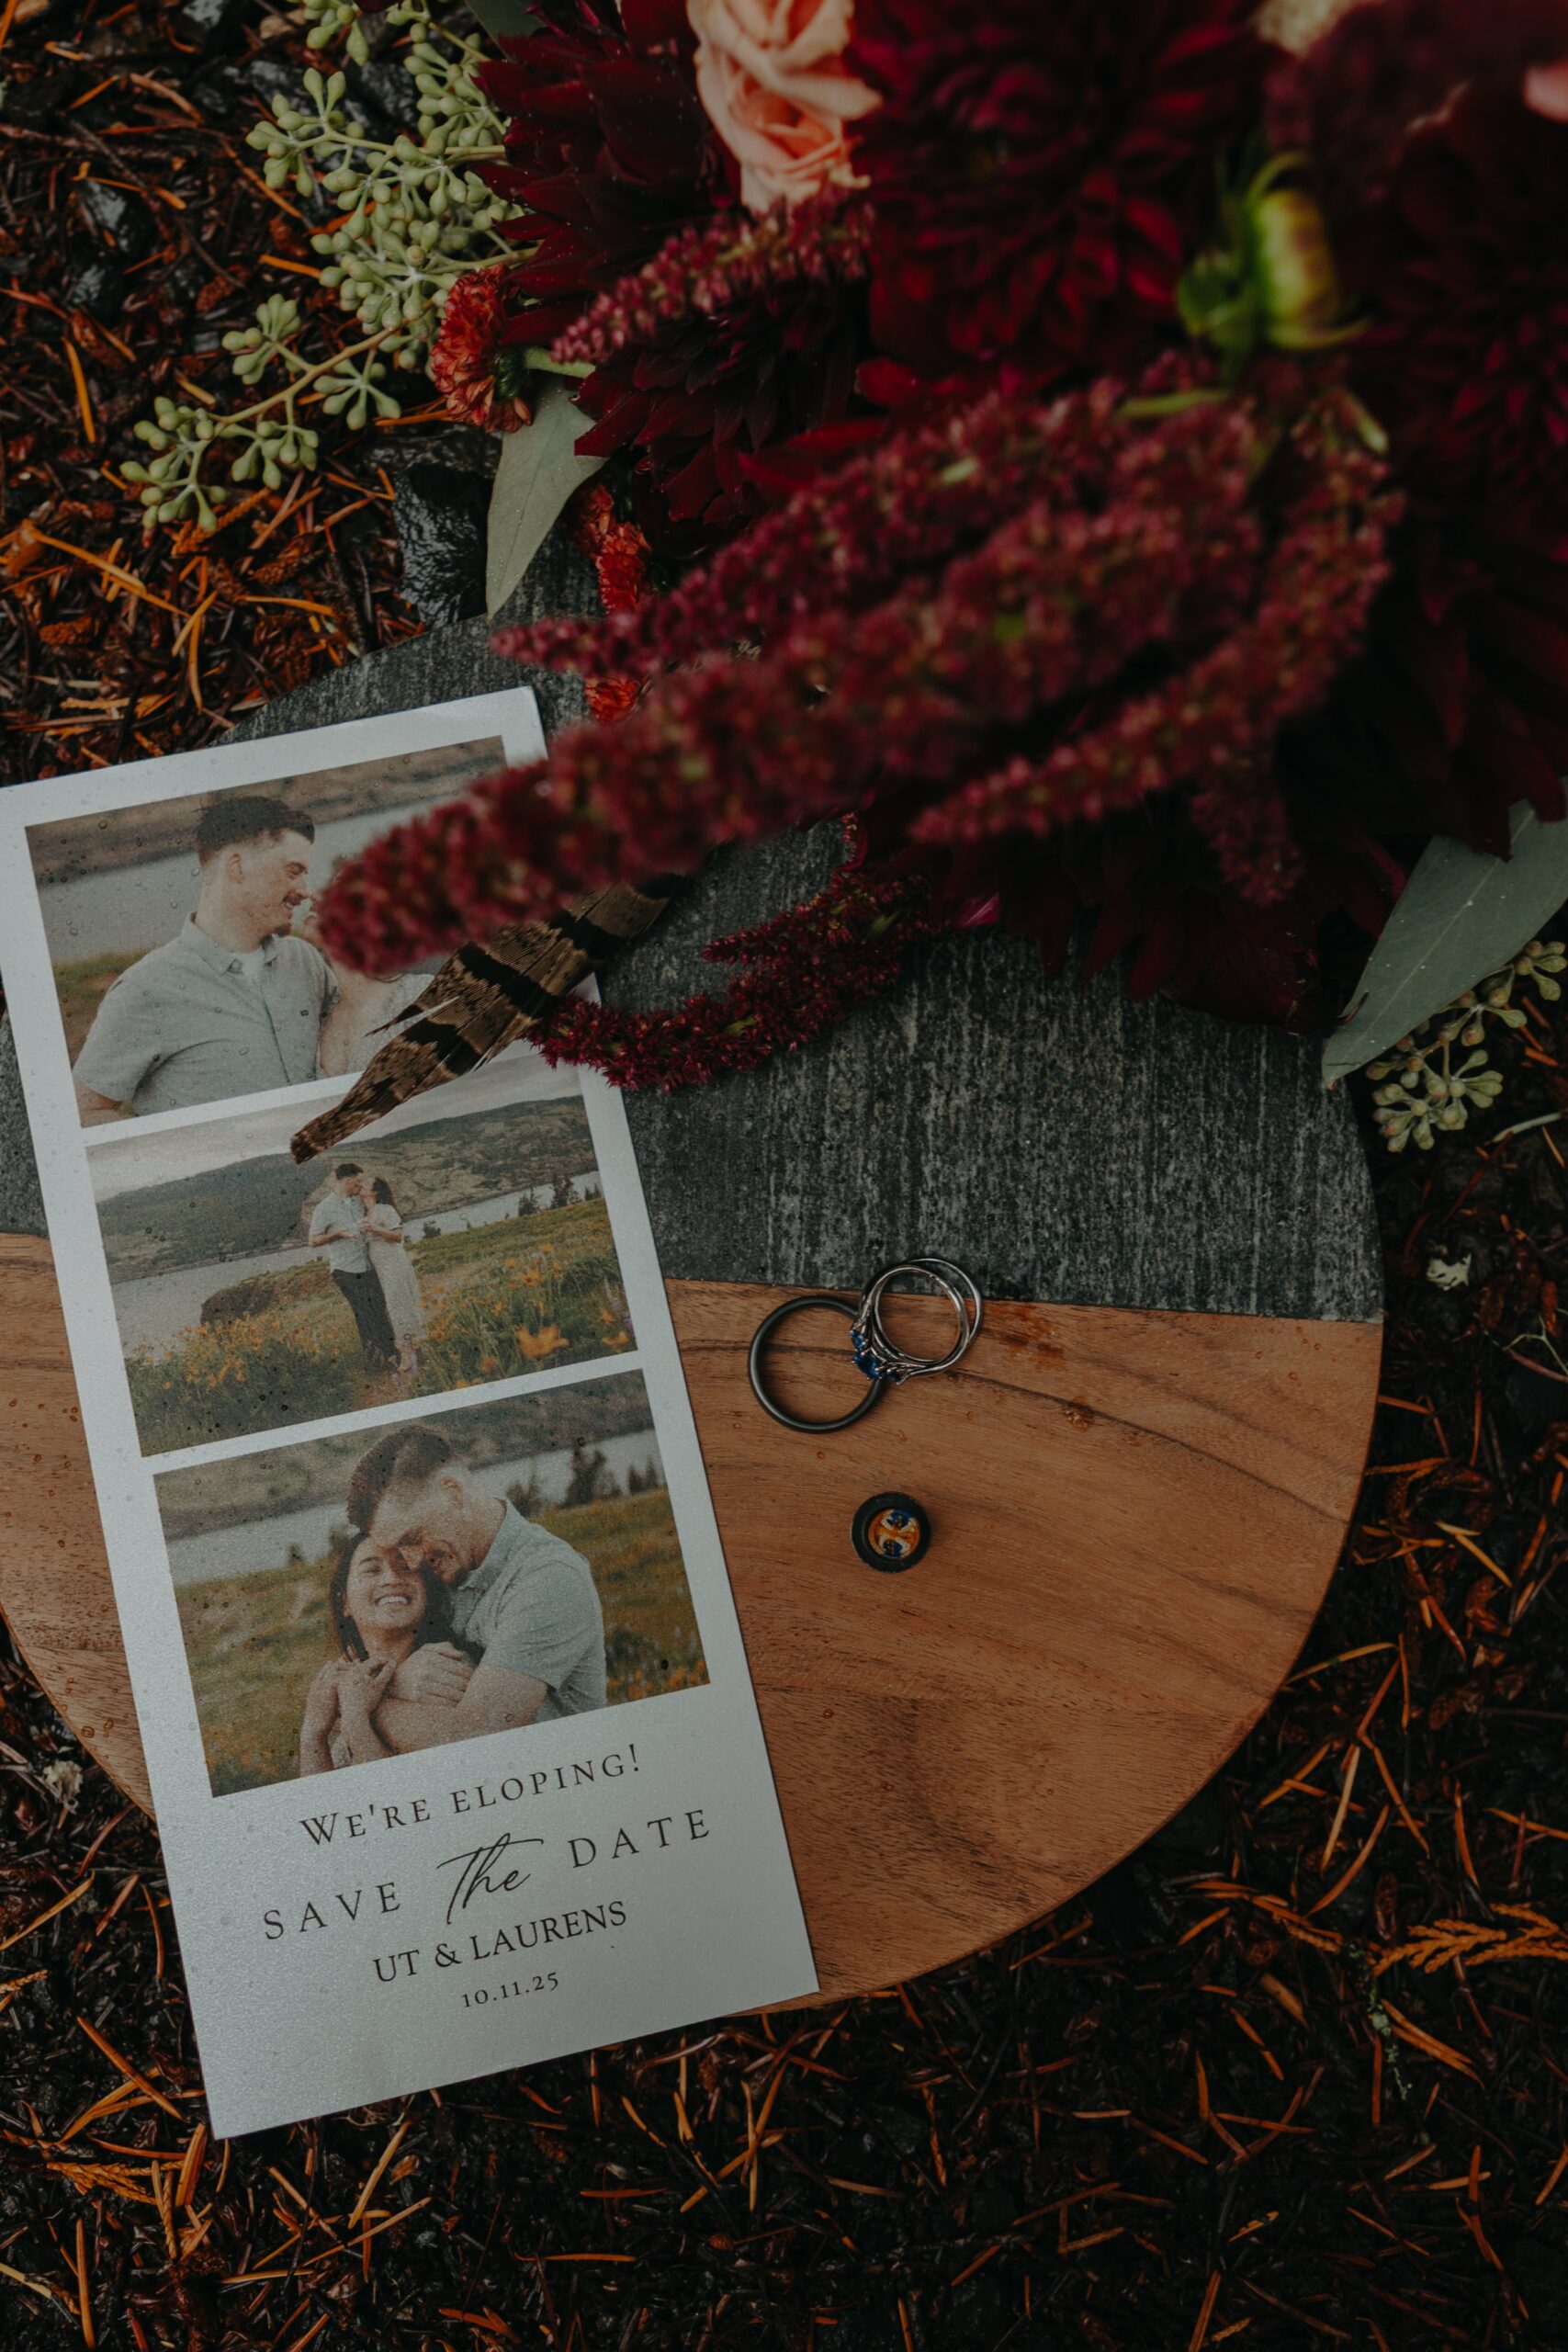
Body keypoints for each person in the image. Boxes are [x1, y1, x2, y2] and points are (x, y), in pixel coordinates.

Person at [71, 795, 398, 1123]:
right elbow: (86, 1112)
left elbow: (351, 1037)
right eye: (293, 871)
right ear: (237, 867)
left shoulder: (304, 960)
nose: (304, 890)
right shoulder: (144, 989)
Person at [342, 1422, 606, 1753]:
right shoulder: (442, 1566)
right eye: (398, 1550)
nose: (409, 1563)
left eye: (412, 1539)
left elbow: (477, 1738)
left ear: (452, 1492)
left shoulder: (548, 1576)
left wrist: (365, 1703)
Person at [298, 1532, 470, 1774]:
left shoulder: (446, 1670)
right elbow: (325, 1807)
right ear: (345, 1601)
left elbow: (403, 1801)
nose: (391, 1578)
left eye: (405, 1567)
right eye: (371, 1570)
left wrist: (355, 1719)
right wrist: (312, 1735)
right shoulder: (352, 1691)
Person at [307, 1163, 399, 1372]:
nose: (360, 1184)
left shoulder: (359, 1202)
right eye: (358, 1180)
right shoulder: (324, 1208)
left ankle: (392, 1353)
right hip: (345, 1270)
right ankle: (377, 1363)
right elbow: (312, 1241)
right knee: (364, 1313)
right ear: (346, 1181)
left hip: (367, 1267)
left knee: (379, 1310)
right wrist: (337, 1234)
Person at [364, 1176, 425, 1377]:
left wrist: (375, 1229)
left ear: (374, 1192)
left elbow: (398, 1236)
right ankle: (413, 1345)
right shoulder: (366, 1212)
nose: (361, 1185)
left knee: (398, 1304)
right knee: (393, 1305)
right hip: (381, 1265)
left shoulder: (385, 1210)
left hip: (393, 1262)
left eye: (366, 1184)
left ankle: (408, 1351)